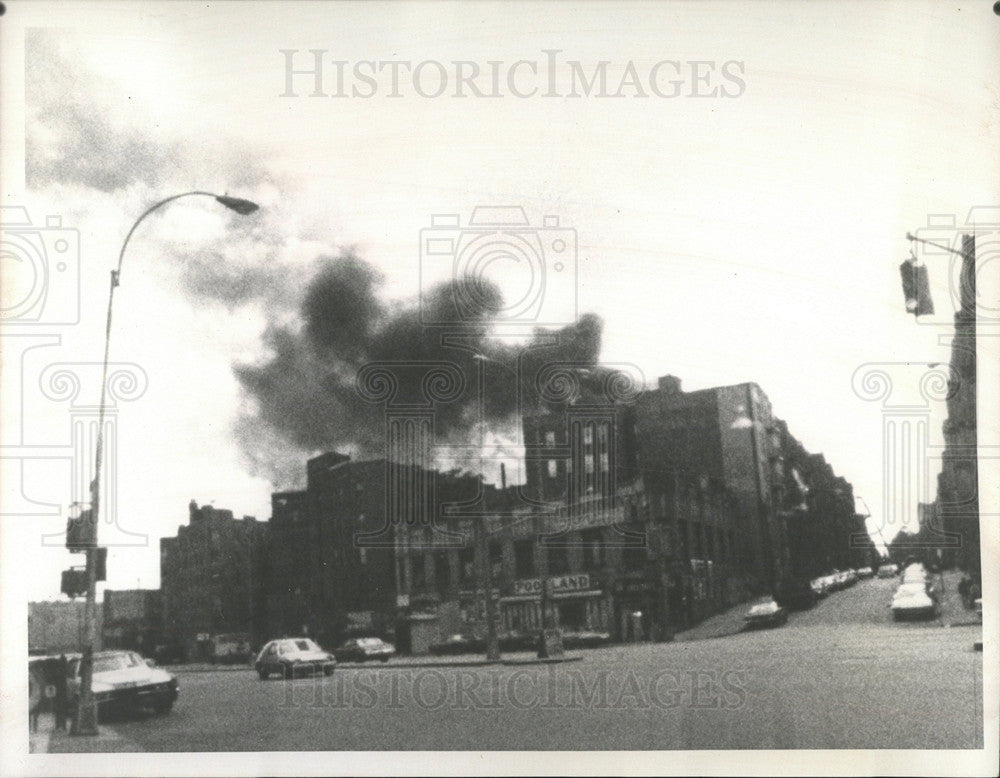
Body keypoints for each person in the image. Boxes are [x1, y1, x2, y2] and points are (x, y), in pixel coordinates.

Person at [54, 655, 69, 731]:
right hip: (63, 690)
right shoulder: (65, 672)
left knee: (58, 709)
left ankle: (58, 725)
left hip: (58, 691)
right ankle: (63, 725)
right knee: (63, 709)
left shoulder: (57, 670)